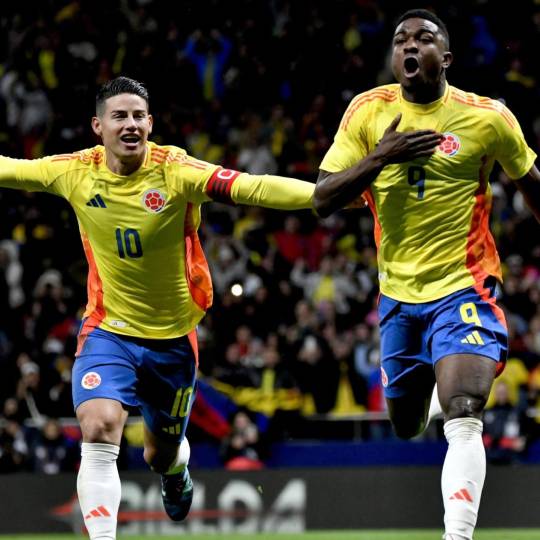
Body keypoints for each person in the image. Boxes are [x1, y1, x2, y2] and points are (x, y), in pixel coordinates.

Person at [0, 76, 316, 540]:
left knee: (160, 454)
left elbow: (252, 187)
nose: (130, 125)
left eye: (138, 116)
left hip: (172, 341)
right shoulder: (73, 171)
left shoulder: (175, 170)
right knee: (99, 426)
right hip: (109, 329)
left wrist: (321, 195)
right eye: (119, 116)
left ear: (151, 123)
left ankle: (174, 471)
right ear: (97, 126)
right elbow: (7, 169)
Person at [313, 9, 540, 540]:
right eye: (401, 40)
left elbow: (533, 184)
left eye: (424, 38)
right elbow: (324, 197)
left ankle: (455, 536)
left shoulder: (486, 118)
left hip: (465, 284)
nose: (410, 46)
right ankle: (432, 374)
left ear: (447, 58)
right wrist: (381, 156)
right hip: (396, 295)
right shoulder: (368, 112)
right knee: (408, 422)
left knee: (464, 410)